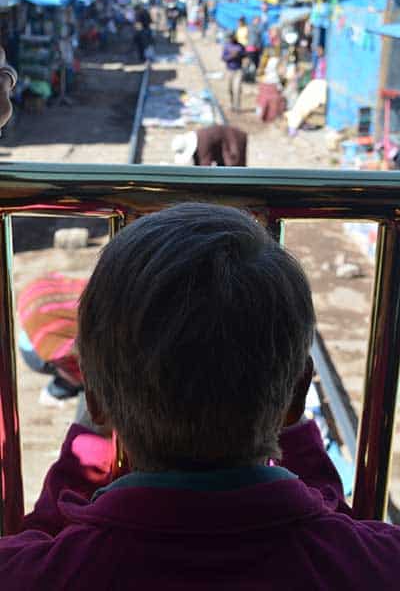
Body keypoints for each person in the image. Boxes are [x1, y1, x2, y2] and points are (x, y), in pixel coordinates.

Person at [1, 201, 400, 589]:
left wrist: (82, 455)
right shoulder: (377, 564)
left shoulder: (28, 573)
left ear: (95, 399)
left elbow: (37, 544)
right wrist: (300, 444)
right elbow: (347, 536)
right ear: (296, 398)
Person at [17, 273, 86, 403]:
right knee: (86, 379)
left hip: (31, 323)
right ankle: (54, 392)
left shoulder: (99, 288)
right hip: (37, 351)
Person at [171, 124, 247, 166]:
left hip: (234, 139)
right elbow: (198, 164)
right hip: (223, 145)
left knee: (233, 170)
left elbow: (205, 167)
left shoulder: (202, 143)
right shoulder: (198, 143)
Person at [222, 32, 245, 112]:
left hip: (238, 70)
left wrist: (239, 55)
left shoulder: (240, 46)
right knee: (230, 89)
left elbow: (245, 55)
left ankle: (237, 106)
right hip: (229, 70)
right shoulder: (227, 46)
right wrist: (231, 56)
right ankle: (231, 105)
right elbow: (223, 58)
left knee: (237, 88)